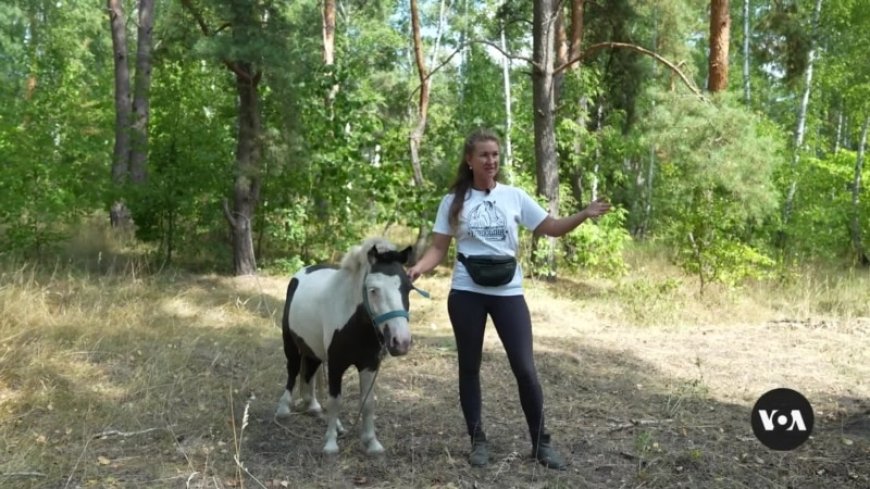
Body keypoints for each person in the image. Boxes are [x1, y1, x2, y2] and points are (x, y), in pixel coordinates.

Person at [407, 129, 612, 470]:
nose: (491, 161)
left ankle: (541, 443)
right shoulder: (453, 201)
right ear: (470, 161)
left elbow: (552, 227)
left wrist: (584, 213)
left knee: (525, 368)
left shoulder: (514, 196)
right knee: (469, 368)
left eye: (495, 155)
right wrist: (417, 269)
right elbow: (439, 249)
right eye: (484, 155)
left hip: (508, 293)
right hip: (466, 293)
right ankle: (478, 442)